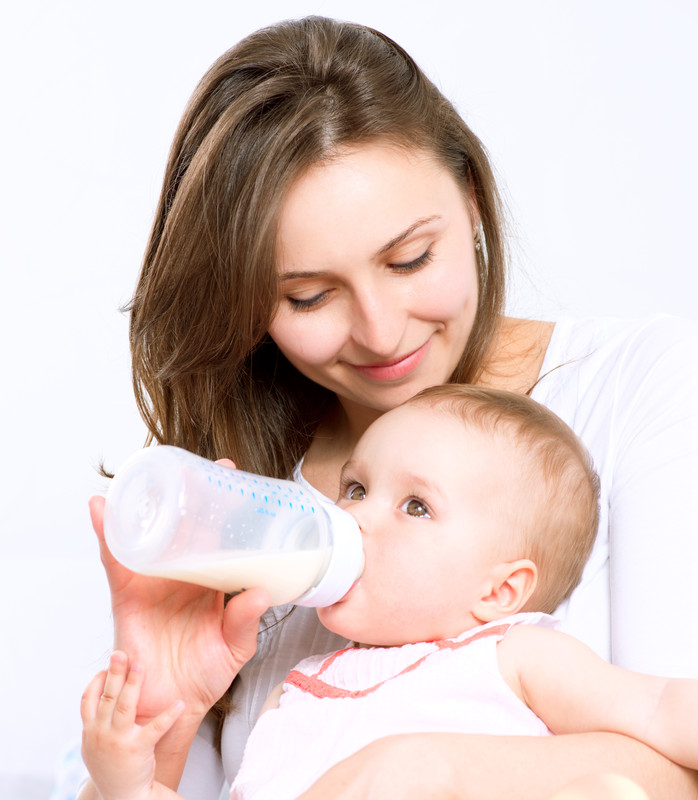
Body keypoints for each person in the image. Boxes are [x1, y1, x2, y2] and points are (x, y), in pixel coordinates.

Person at [77, 14, 698, 800]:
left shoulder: (641, 387)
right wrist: (157, 718)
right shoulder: (254, 510)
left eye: (411, 258)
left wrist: (422, 767)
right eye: (307, 295)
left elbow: (675, 752)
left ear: (471, 199)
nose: (380, 331)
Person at [82, 386, 696, 800]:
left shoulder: (511, 654)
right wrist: (127, 779)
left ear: (501, 589)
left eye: (415, 505)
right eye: (354, 489)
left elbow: (656, 710)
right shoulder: (297, 692)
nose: (356, 518)